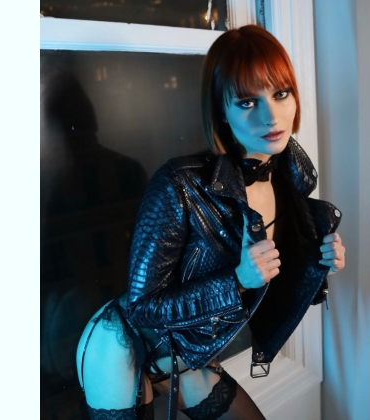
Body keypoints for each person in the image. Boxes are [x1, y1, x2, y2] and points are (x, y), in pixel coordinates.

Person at [76, 24, 345, 420]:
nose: (271, 116)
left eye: (280, 93)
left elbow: (275, 286)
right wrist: (236, 281)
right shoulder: (179, 184)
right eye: (247, 102)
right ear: (222, 110)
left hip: (183, 356)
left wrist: (318, 264)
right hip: (120, 345)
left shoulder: (291, 182)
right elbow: (142, 307)